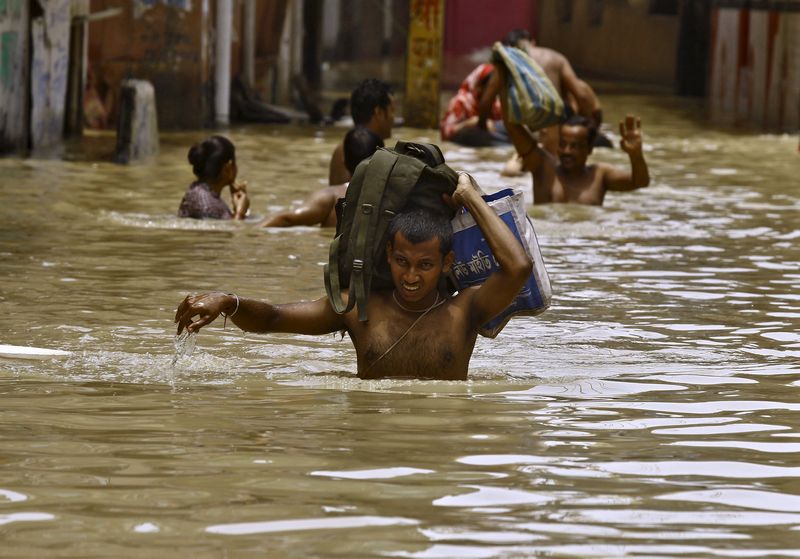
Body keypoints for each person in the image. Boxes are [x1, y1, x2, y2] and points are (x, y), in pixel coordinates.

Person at [175, 173, 532, 380]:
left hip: (440, 445)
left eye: (425, 265)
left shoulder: (465, 311)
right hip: (371, 443)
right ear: (388, 256)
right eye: (402, 261)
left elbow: (518, 266)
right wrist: (228, 301)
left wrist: (470, 196)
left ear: (447, 263)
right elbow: (274, 317)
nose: (410, 276)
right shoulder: (358, 307)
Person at [500, 74, 650, 206]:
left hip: (585, 239)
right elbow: (512, 126)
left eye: (575, 146)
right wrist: (504, 79)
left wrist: (636, 154)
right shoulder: (543, 167)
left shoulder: (599, 175)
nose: (567, 151)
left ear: (590, 148)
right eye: (563, 144)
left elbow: (640, 182)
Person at [500, 29, 605, 175]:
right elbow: (582, 96)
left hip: (523, 131)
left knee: (517, 168)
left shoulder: (508, 62)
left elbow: (489, 101)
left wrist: (481, 125)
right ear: (533, 42)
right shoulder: (555, 58)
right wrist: (586, 132)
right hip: (554, 130)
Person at [260, 127, 384, 228]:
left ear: (343, 160)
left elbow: (284, 219)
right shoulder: (392, 197)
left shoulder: (331, 197)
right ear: (383, 161)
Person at [328, 79, 395, 185]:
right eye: (392, 110)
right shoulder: (356, 150)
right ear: (379, 113)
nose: (393, 117)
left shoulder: (346, 148)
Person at [177, 135, 250, 220]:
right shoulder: (210, 205)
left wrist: (237, 207)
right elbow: (233, 229)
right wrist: (240, 212)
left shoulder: (195, 191)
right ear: (228, 168)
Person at [440, 63, 507, 147]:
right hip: (469, 136)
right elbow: (445, 133)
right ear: (479, 85)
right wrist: (470, 123)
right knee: (473, 135)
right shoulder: (461, 102)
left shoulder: (495, 103)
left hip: (488, 134)